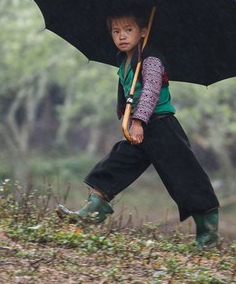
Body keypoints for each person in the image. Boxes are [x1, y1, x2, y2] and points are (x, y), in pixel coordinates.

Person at [56, 13, 221, 249]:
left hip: (162, 127)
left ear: (143, 31)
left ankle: (208, 235)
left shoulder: (151, 58)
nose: (122, 36)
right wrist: (125, 115)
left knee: (186, 176)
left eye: (128, 29)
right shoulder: (124, 60)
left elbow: (151, 91)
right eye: (115, 31)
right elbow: (126, 93)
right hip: (140, 129)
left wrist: (139, 121)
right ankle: (89, 214)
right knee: (116, 163)